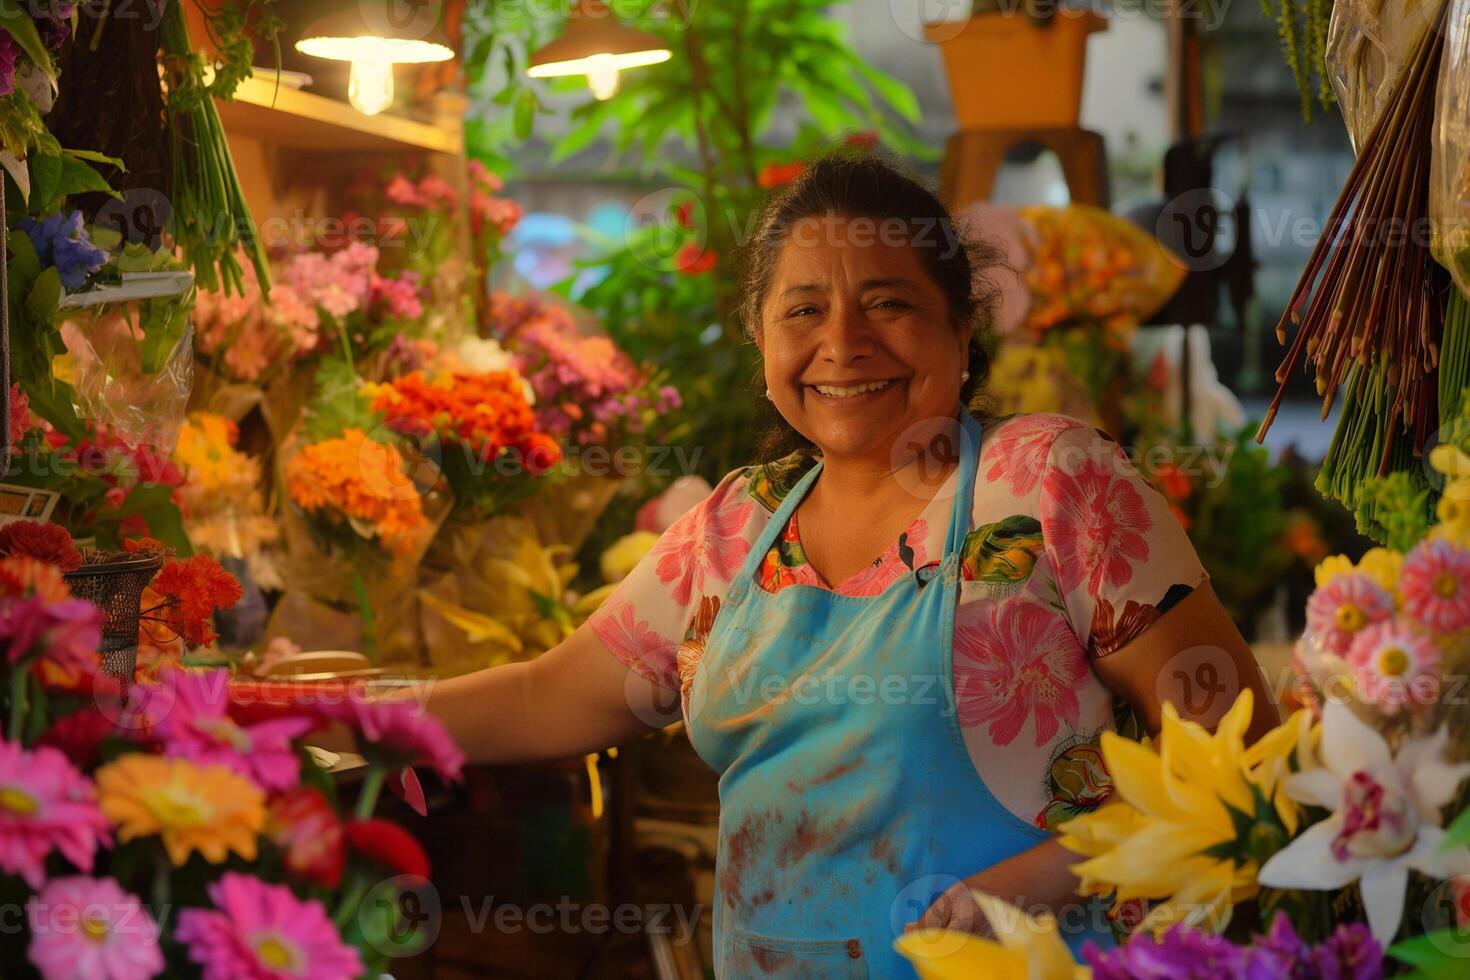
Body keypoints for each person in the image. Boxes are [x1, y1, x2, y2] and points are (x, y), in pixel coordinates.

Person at [425, 154, 1278, 977]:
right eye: (802, 311)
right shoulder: (735, 525)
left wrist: (1047, 880)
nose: (843, 342)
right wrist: (349, 717)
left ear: (963, 326)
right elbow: (546, 698)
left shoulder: (1052, 481)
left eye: (888, 303)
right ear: (760, 341)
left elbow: (1246, 760)